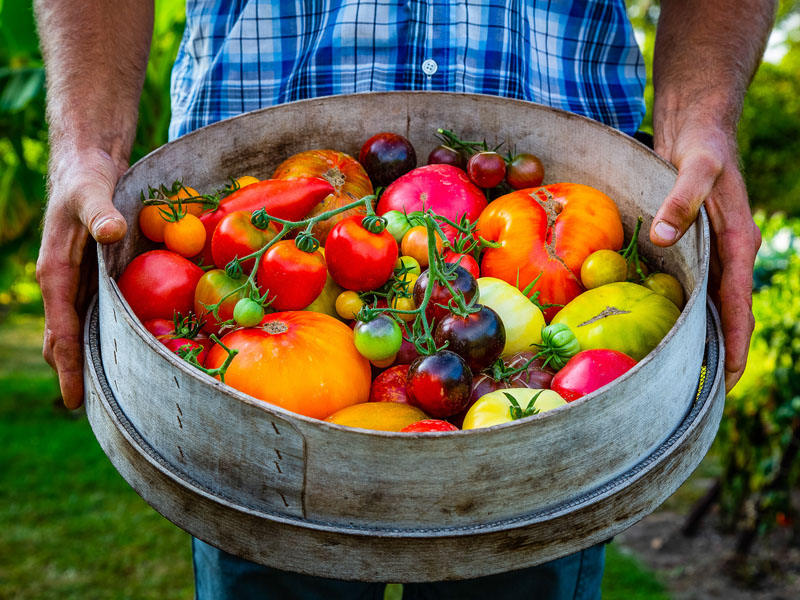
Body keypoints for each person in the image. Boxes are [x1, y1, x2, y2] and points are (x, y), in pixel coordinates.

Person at [34, 1, 775, 598]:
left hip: (575, 217)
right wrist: (85, 148)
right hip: (235, 252)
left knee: (534, 534)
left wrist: (701, 117)